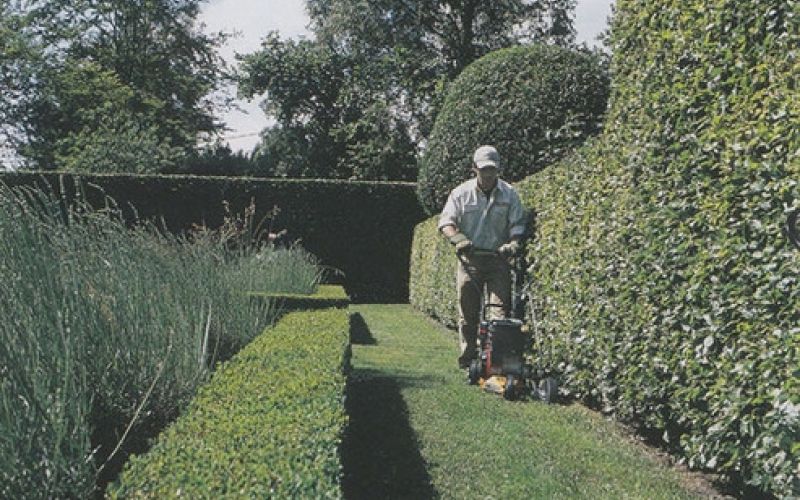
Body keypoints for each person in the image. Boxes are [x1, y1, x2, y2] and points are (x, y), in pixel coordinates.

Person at [438, 145, 527, 369]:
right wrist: (458, 238)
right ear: (474, 169)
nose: (488, 175)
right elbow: (446, 222)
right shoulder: (460, 194)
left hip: (499, 260)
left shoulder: (509, 194)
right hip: (471, 261)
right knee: (468, 314)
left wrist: (514, 244)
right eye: (484, 170)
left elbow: (517, 224)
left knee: (499, 313)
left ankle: (495, 360)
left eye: (492, 170)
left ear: (498, 170)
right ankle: (467, 358)